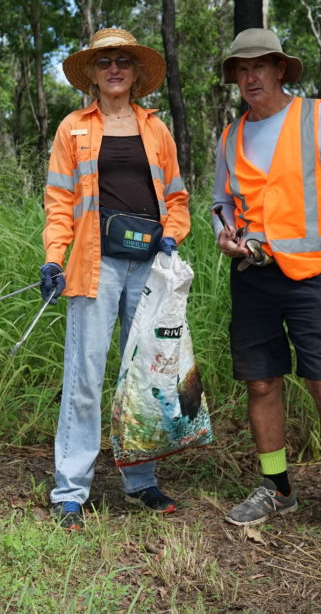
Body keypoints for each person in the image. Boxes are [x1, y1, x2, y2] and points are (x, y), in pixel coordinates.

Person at [210, 28, 321, 546]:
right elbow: (220, 203)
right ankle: (277, 489)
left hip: (311, 278)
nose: (251, 76)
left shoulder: (316, 118)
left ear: (281, 70)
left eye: (261, 66)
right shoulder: (231, 134)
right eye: (242, 69)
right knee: (261, 382)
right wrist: (225, 237)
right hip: (253, 277)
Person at [41, 28, 191, 531]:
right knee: (84, 378)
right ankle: (69, 492)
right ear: (93, 73)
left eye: (123, 61)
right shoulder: (73, 129)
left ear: (135, 73)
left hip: (148, 265)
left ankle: (140, 480)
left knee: (143, 377)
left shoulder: (156, 129)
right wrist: (53, 259)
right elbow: (60, 203)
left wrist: (171, 236)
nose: (114, 69)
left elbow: (176, 198)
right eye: (105, 62)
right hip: (94, 264)